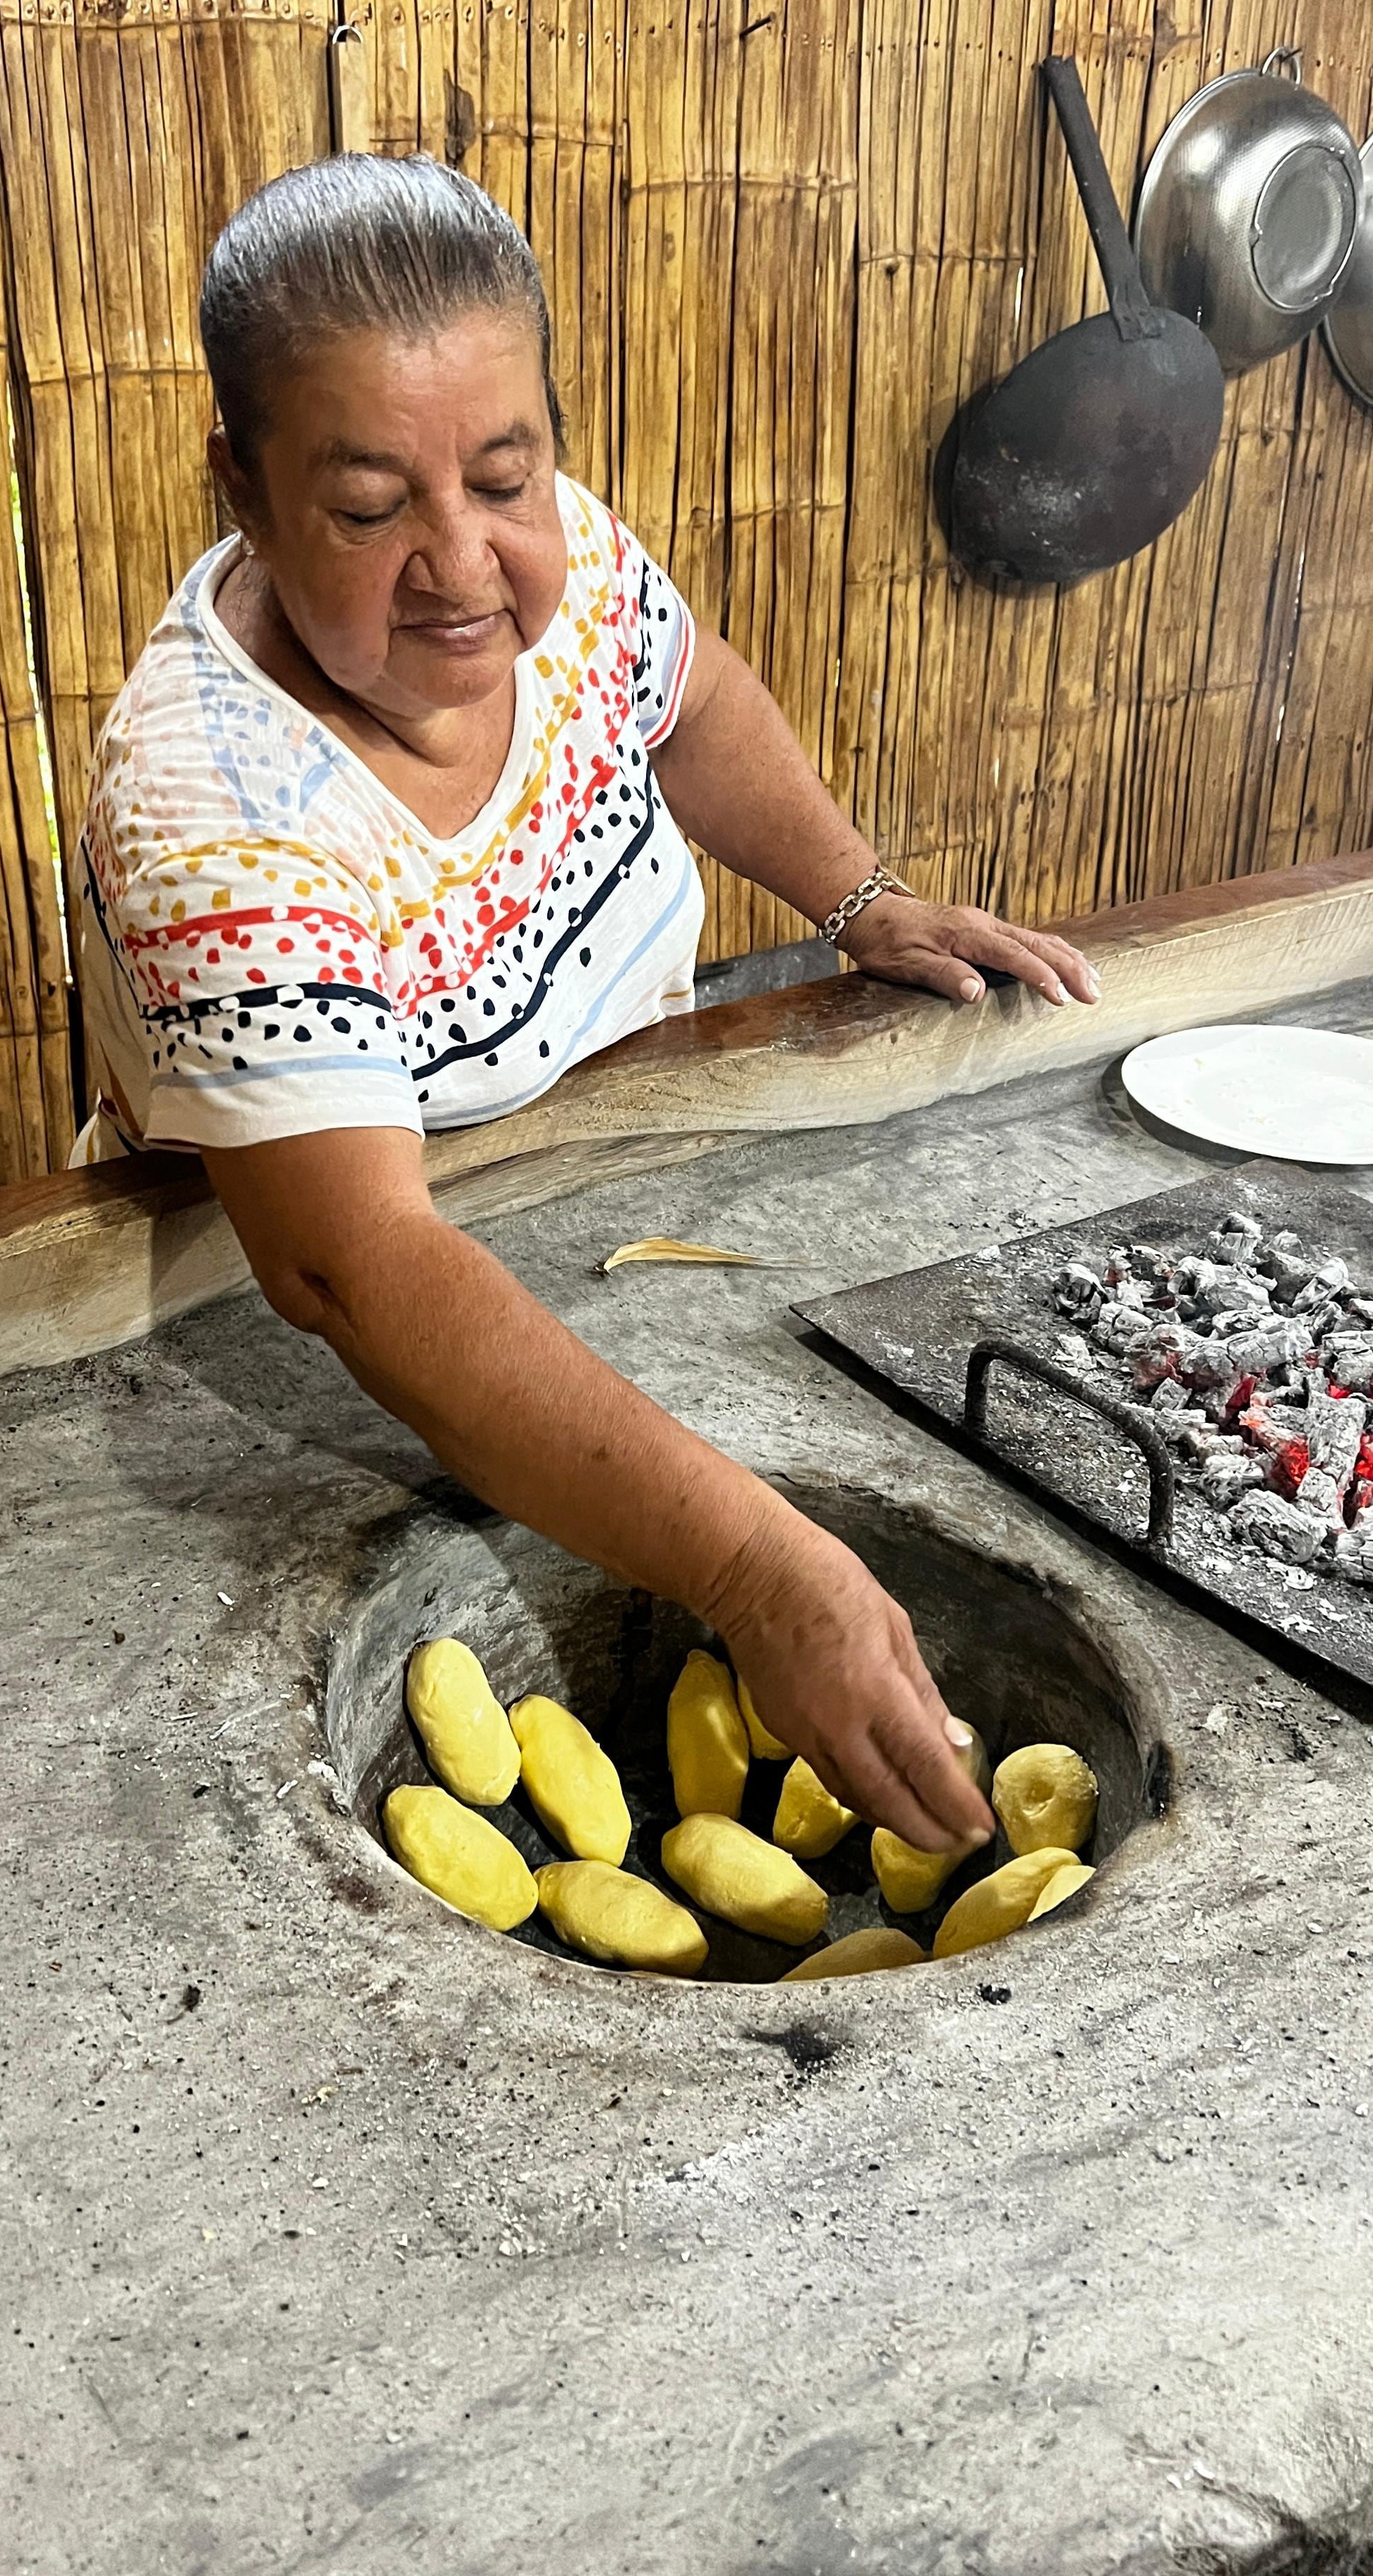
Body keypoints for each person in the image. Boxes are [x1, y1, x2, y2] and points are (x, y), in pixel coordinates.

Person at [74, 154, 1098, 1853]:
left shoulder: (556, 563)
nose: (460, 564)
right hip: (362, 1317)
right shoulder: (218, 814)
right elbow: (357, 1265)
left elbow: (685, 703)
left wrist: (860, 896)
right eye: (365, 507)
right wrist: (758, 1568)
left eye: (504, 473)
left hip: (632, 1208)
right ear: (242, 493)